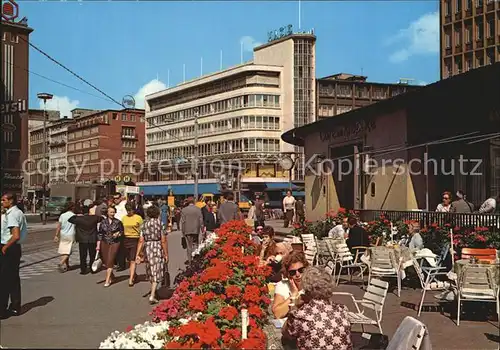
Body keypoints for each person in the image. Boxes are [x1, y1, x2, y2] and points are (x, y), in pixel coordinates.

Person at [282, 266, 352, 350]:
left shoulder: (300, 316)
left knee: (287, 343)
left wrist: (295, 306)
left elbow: (285, 333)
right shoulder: (342, 311)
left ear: (307, 290)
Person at [0, 193, 27, 318]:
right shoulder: (19, 212)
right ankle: (15, 306)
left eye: (4, 200)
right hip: (15, 249)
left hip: (8, 248)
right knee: (13, 278)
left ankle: (2, 309)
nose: (2, 202)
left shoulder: (12, 214)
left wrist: (5, 246)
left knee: (4, 279)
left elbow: (15, 235)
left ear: (11, 201)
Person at [135, 206, 169, 304]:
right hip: (157, 247)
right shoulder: (160, 224)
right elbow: (163, 240)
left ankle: (153, 290)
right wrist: (166, 253)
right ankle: (153, 295)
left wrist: (138, 254)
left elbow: (141, 240)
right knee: (157, 270)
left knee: (150, 269)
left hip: (148, 247)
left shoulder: (144, 224)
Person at [272, 251, 309, 319]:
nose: (297, 275)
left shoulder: (312, 285)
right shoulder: (283, 285)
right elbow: (277, 314)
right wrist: (293, 295)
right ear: (288, 274)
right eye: (293, 272)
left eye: (301, 270)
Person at [68, 205, 102, 274]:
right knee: (92, 255)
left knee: (83, 255)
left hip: (82, 239)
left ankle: (83, 270)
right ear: (89, 211)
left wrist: (77, 215)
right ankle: (92, 269)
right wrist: (93, 214)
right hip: (92, 239)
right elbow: (102, 218)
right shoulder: (94, 218)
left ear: (82, 212)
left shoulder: (79, 219)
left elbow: (70, 219)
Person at [97, 206, 124, 287]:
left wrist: (118, 233)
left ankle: (107, 280)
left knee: (110, 260)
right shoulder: (103, 222)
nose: (112, 213)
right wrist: (98, 245)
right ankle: (112, 275)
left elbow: (122, 231)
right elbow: (100, 233)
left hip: (115, 242)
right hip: (104, 242)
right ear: (107, 213)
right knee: (106, 261)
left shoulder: (118, 222)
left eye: (113, 212)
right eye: (110, 212)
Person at [122, 203, 143, 287]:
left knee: (132, 260)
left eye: (130, 210)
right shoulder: (124, 218)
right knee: (129, 259)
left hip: (135, 239)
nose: (129, 212)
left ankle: (131, 279)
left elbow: (142, 229)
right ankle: (134, 274)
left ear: (133, 210)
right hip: (125, 239)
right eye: (127, 210)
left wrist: (141, 240)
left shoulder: (138, 218)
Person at [53, 202, 76, 272]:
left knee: (64, 250)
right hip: (71, 234)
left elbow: (59, 226)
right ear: (72, 207)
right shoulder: (74, 215)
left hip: (63, 234)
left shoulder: (62, 215)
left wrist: (56, 235)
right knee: (68, 251)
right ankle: (61, 263)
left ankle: (67, 265)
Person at [180, 197, 204, 262]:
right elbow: (201, 220)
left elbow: (182, 221)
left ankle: (190, 260)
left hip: (187, 230)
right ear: (194, 202)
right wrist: (202, 230)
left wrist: (183, 231)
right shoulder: (198, 209)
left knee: (189, 246)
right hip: (196, 230)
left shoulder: (184, 210)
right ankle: (195, 259)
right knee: (196, 244)